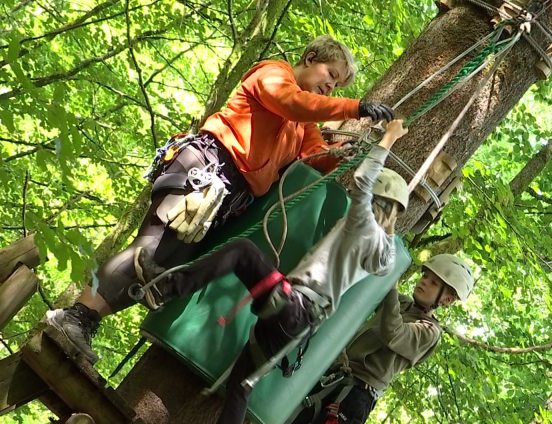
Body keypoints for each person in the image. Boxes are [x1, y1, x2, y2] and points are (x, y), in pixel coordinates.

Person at [45, 35, 396, 364]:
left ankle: (86, 323)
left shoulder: (302, 125)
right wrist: (354, 108)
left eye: (337, 86)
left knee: (162, 270)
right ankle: (74, 315)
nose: (331, 87)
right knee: (149, 250)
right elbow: (292, 103)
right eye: (330, 75)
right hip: (206, 169)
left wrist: (342, 152)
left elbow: (313, 157)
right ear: (310, 58)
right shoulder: (274, 74)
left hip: (227, 198)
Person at [133, 119, 410, 424]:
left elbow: (363, 179)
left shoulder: (364, 226)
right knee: (240, 386)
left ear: (376, 200)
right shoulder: (384, 253)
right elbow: (382, 241)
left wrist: (389, 139)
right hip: (300, 324)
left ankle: (166, 289)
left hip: (293, 305)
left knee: (243, 252)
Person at [288, 253, 475, 424]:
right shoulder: (402, 303)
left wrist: (392, 284)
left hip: (355, 397)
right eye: (425, 276)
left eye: (434, 283)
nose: (424, 282)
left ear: (447, 300)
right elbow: (373, 285)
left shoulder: (429, 331)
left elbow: (393, 332)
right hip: (332, 376)